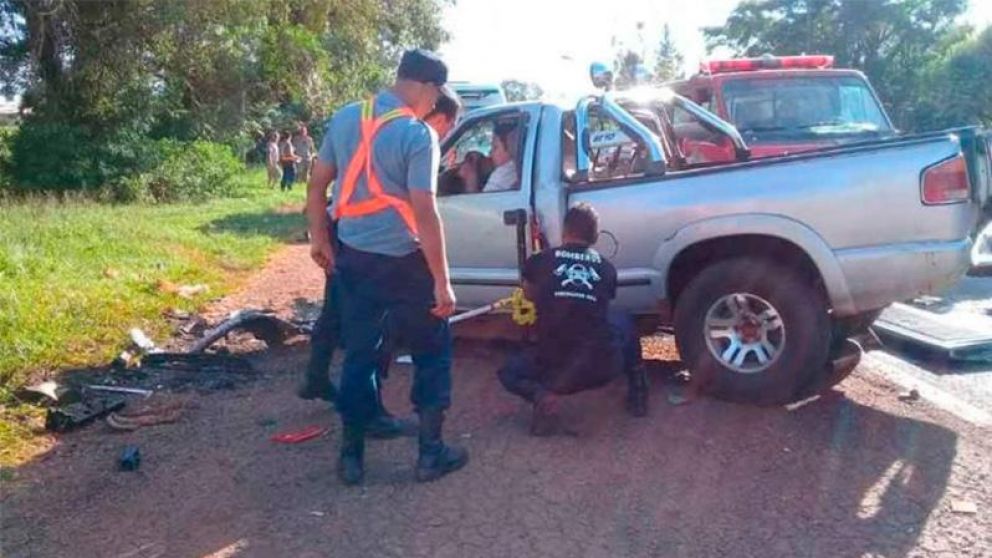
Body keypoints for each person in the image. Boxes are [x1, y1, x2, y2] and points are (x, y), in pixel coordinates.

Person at [306, 48, 467, 485]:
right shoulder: (418, 136)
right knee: (433, 350)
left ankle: (351, 457)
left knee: (360, 355)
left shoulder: (345, 118)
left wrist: (319, 238)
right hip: (407, 262)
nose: (433, 106)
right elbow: (425, 211)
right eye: (435, 98)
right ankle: (430, 454)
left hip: (355, 258)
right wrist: (442, 283)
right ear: (427, 87)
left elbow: (317, 184)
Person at [497, 203, 649, 436]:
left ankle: (542, 396)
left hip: (550, 369)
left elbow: (528, 295)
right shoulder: (607, 269)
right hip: (601, 369)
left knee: (507, 371)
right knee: (623, 319)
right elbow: (598, 304)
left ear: (564, 232)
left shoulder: (539, 261)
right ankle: (639, 392)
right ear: (596, 236)